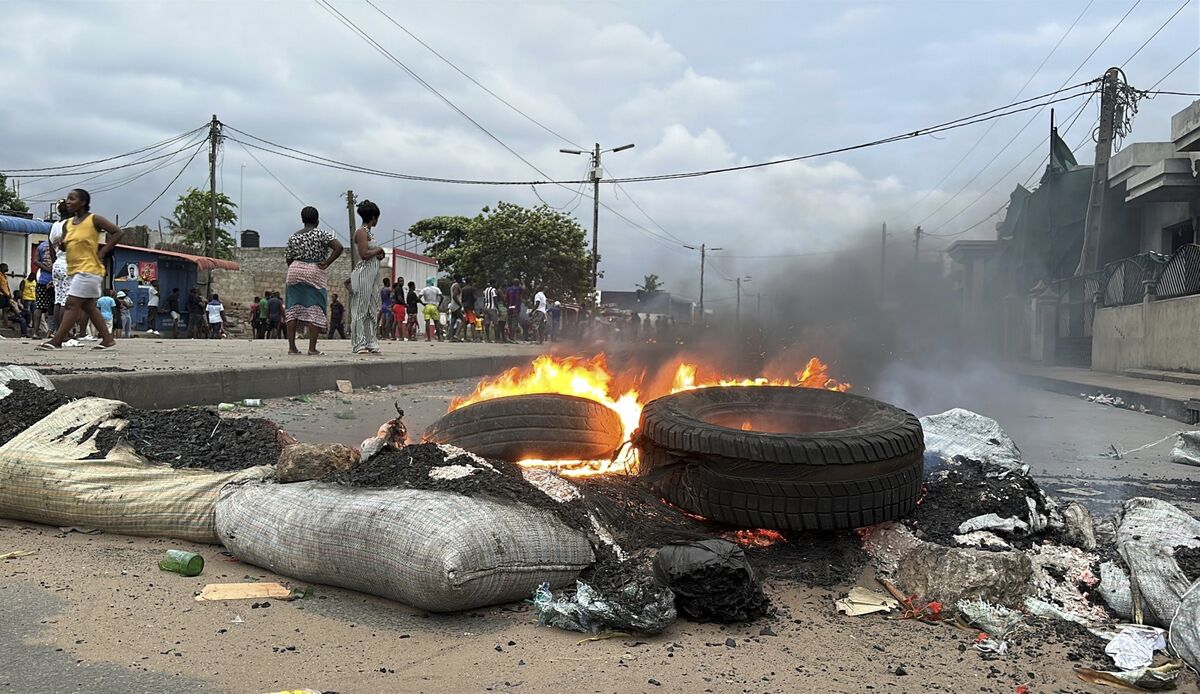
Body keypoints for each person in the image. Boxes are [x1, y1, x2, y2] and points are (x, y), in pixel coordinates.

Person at [38, 189, 125, 351]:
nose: (68, 202)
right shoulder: (69, 224)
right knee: (89, 307)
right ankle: (107, 340)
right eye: (67, 199)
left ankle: (57, 340)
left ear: (83, 202)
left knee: (71, 304)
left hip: (90, 269)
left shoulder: (94, 219)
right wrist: (63, 244)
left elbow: (118, 232)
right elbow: (64, 244)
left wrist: (103, 251)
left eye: (73, 199)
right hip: (75, 269)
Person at [285, 206, 343, 355]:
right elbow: (338, 247)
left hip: (295, 269)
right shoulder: (322, 234)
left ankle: (292, 348)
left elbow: (289, 258)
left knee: (292, 308)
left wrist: (297, 268)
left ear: (302, 220)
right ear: (317, 220)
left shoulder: (294, 236)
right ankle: (312, 348)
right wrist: (327, 262)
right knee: (315, 308)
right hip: (314, 269)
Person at [33, 232, 54, 335]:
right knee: (55, 306)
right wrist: (52, 270)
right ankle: (52, 331)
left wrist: (46, 269)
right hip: (56, 281)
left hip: (42, 280)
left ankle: (35, 332)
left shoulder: (41, 246)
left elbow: (35, 261)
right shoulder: (60, 245)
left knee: (39, 307)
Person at [419, 276, 442, 342]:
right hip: (434, 306)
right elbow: (442, 297)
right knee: (436, 323)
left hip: (427, 306)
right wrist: (439, 305)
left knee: (427, 322)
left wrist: (423, 304)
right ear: (432, 282)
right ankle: (439, 338)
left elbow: (418, 298)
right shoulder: (436, 289)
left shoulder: (424, 289)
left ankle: (428, 338)